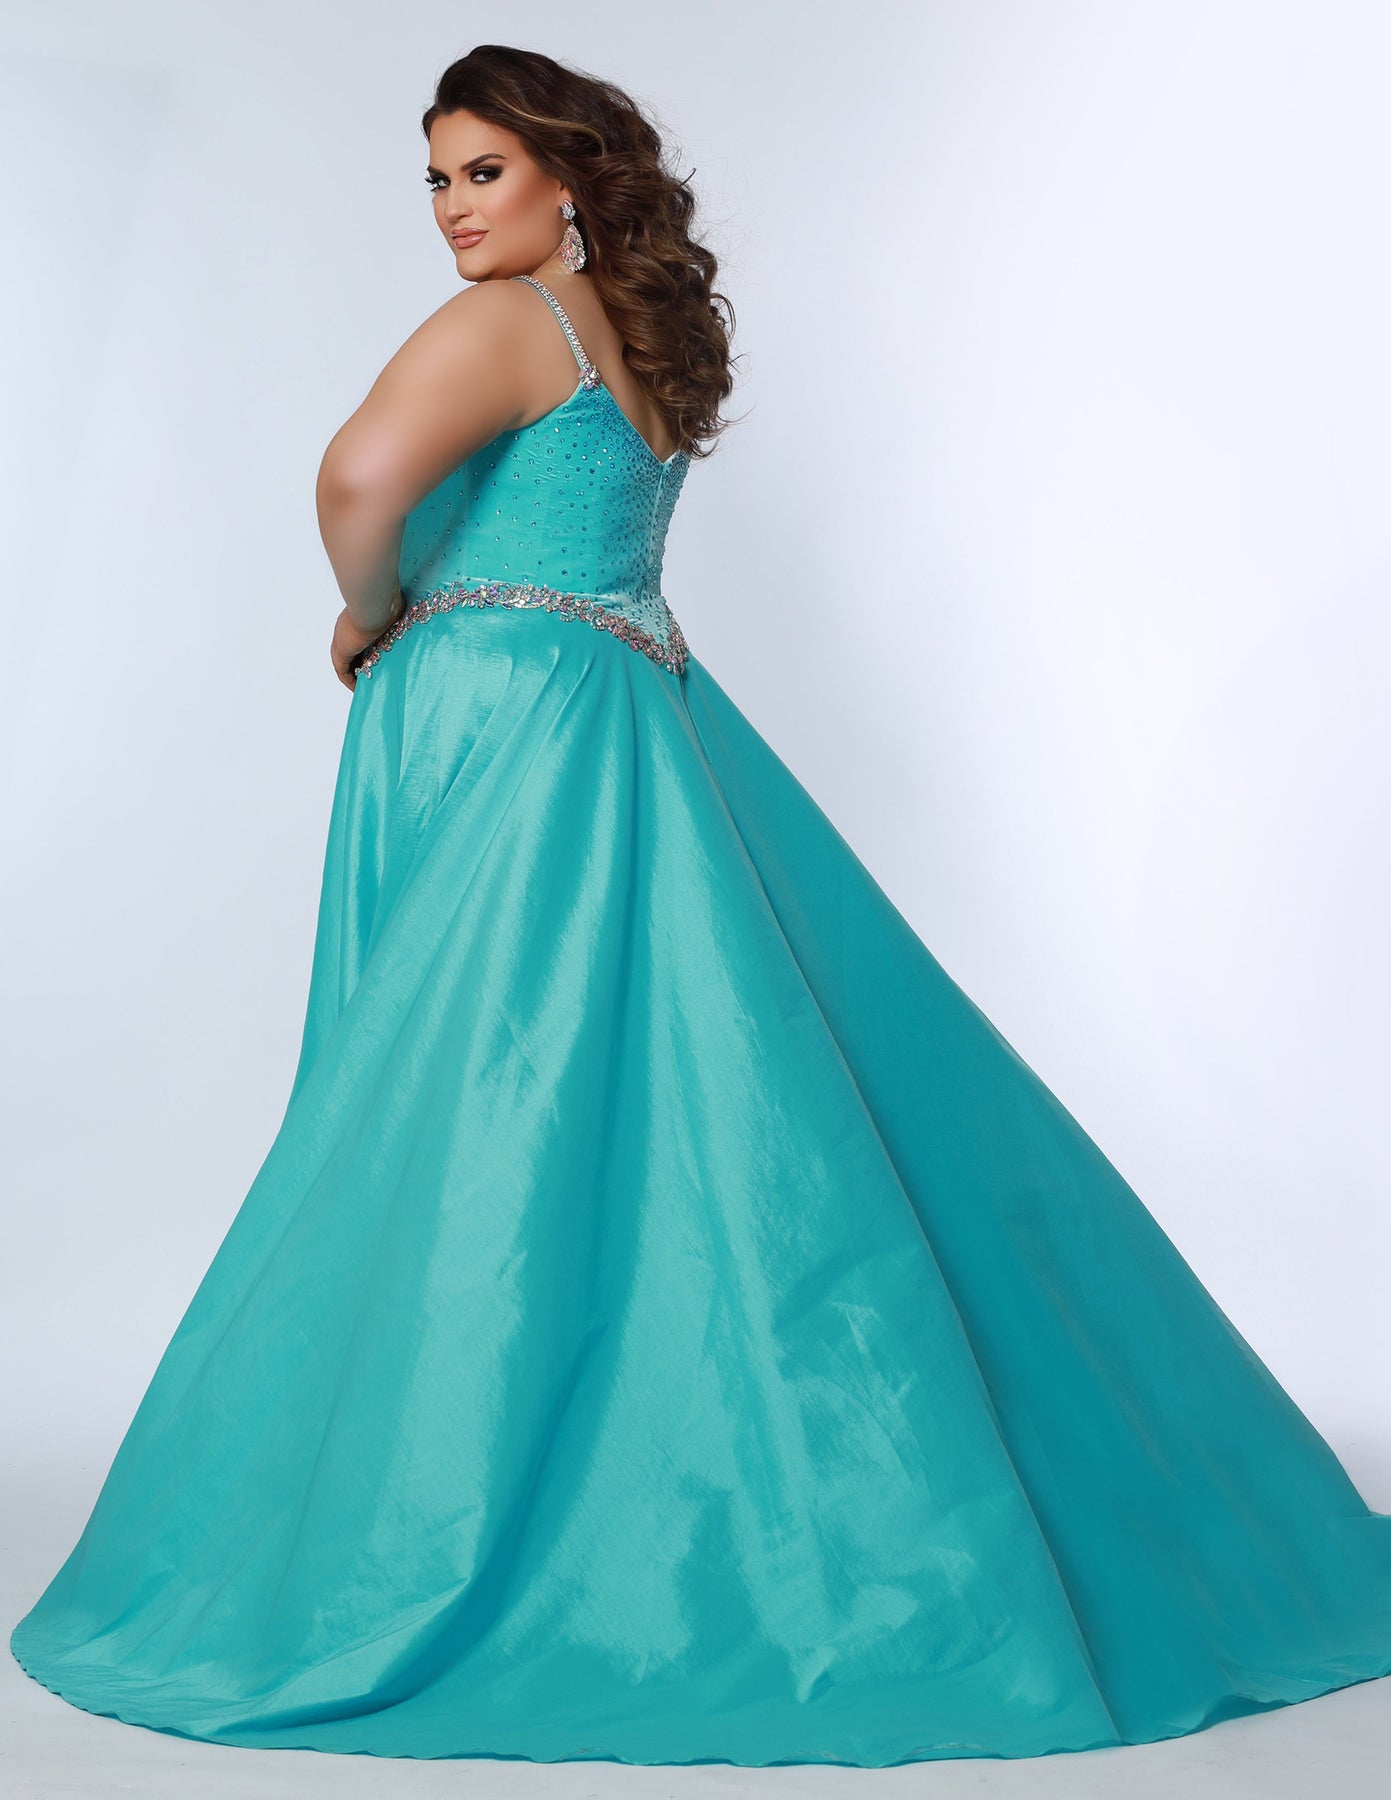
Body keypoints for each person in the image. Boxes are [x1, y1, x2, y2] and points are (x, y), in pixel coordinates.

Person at [10, 42, 1391, 1772]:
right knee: (674, 1104)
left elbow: (356, 480)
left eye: (484, 172)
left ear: (569, 176)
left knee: (464, 1111)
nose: (453, 209)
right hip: (632, 713)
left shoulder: (509, 322)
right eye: (435, 179)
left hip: (501, 717)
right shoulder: (636, 332)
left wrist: (369, 613)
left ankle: (458, 1492)